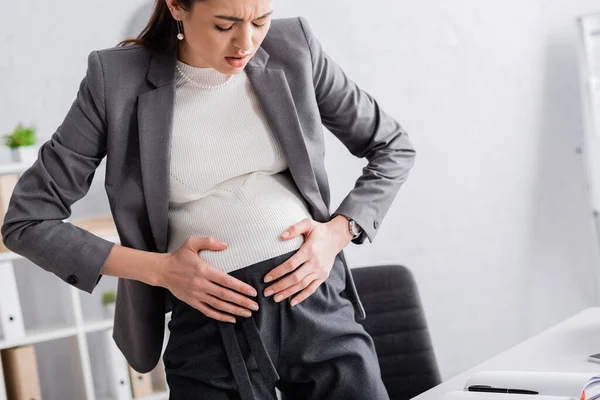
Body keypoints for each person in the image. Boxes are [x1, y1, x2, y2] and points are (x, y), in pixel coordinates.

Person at [1, 0, 416, 398]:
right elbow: (27, 222)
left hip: (315, 305)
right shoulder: (116, 80)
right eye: (225, 25)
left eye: (261, 20)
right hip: (207, 326)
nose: (246, 44)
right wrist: (161, 270)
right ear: (177, 6)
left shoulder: (296, 47)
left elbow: (392, 145)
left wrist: (338, 232)